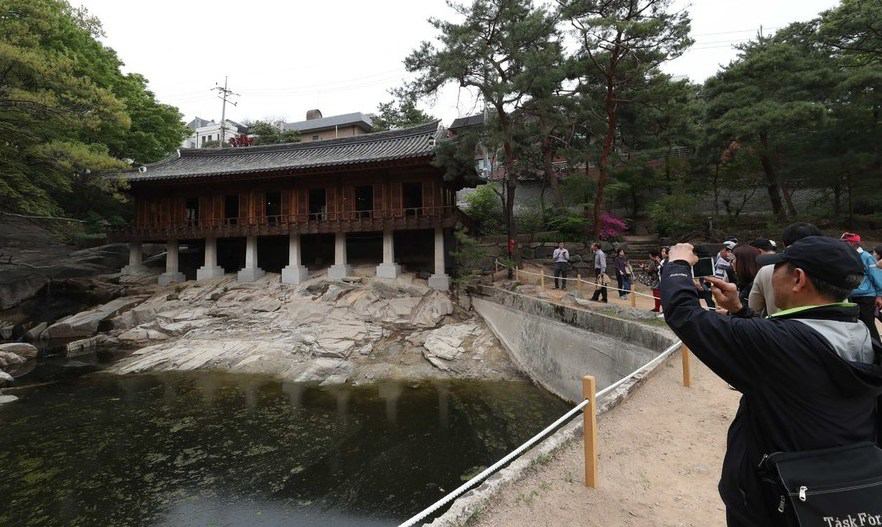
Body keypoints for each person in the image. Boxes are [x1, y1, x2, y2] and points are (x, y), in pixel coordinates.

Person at [661, 236, 882, 527]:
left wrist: (676, 265)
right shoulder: (861, 335)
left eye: (776, 268)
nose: (770, 274)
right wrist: (742, 312)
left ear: (798, 279)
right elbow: (793, 351)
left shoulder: (776, 345)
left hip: (776, 500)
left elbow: (685, 316)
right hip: (843, 494)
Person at [749, 223, 822, 316]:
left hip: (777, 327)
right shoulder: (831, 268)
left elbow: (754, 308)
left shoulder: (766, 271)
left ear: (784, 244)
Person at [841, 232, 882, 342]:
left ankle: (877, 352)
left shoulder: (866, 257)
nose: (843, 245)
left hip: (866, 296)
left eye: (846, 243)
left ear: (854, 244)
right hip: (851, 295)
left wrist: (879, 295)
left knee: (868, 325)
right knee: (855, 326)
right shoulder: (846, 257)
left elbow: (876, 276)